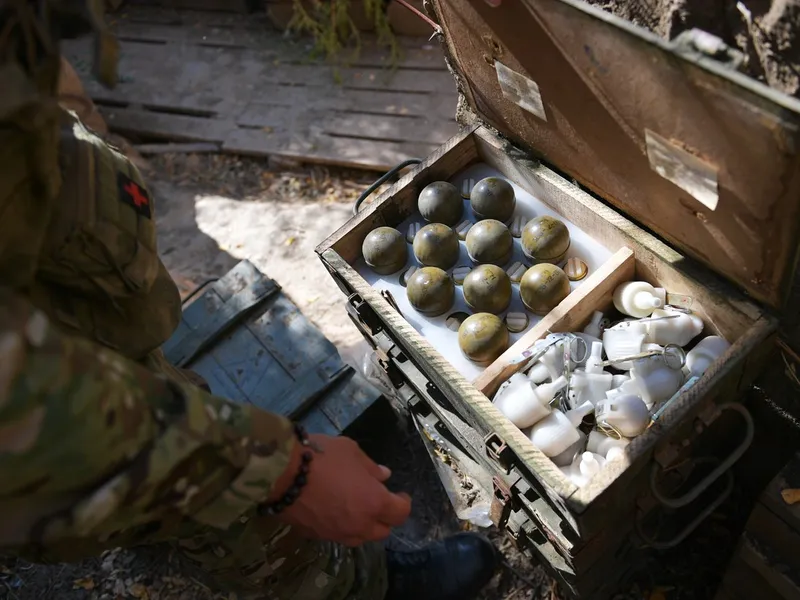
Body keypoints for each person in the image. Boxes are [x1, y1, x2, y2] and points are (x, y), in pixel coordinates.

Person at [0, 1, 499, 599]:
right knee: (218, 496)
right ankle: (348, 588)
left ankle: (158, 514)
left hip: (68, 326)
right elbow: (25, 399)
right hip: (44, 411)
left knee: (163, 410)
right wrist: (284, 473)